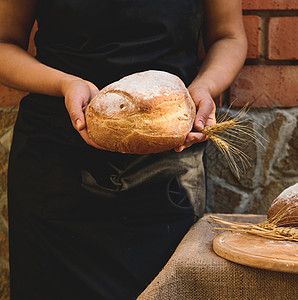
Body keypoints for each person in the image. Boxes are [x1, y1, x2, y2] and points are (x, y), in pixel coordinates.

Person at [0, 0, 247, 299]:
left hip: (168, 167)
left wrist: (205, 87)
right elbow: (4, 44)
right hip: (56, 165)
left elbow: (228, 36)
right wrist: (66, 84)